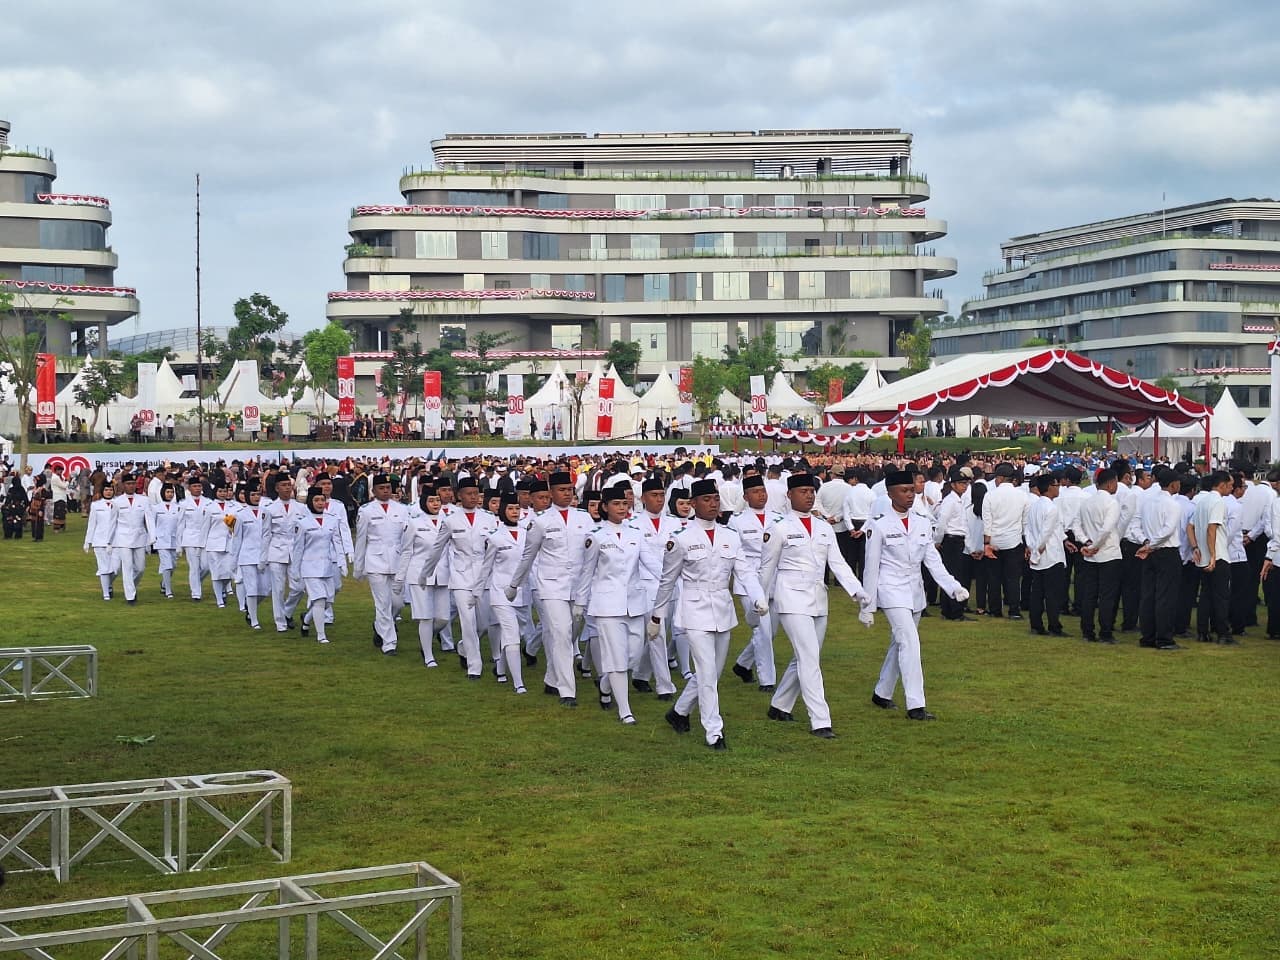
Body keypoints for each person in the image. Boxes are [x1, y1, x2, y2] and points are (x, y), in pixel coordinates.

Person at [653, 478, 767, 749]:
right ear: (693, 504)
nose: (713, 504)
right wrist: (657, 615)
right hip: (694, 610)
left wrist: (758, 596)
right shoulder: (680, 539)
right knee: (705, 671)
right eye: (706, 499)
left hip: (722, 609)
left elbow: (745, 572)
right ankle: (714, 731)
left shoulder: (730, 536)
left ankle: (678, 712)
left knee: (712, 673)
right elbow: (667, 581)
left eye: (716, 499)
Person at [760, 473, 868, 737]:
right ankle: (821, 720)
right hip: (791, 598)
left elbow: (838, 563)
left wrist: (857, 590)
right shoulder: (778, 528)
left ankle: (780, 705)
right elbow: (765, 569)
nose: (809, 495)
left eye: (811, 491)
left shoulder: (823, 527)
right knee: (809, 658)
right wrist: (759, 599)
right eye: (803, 491)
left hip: (818, 599)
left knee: (808, 656)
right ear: (789, 495)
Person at [862, 470, 968, 721]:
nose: (911, 495)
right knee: (909, 641)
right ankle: (915, 704)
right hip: (891, 589)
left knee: (899, 642)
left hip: (914, 591)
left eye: (912, 489)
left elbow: (933, 560)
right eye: (904, 490)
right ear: (890, 493)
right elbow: (871, 567)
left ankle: (882, 692)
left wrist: (952, 586)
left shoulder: (921, 521)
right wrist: (867, 605)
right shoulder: (878, 524)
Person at [507, 471, 593, 705]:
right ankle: (567, 691)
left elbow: (593, 553)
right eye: (562, 490)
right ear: (552, 492)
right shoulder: (541, 521)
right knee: (561, 633)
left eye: (570, 489)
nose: (567, 493)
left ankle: (552, 678)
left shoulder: (584, 519)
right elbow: (527, 556)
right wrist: (514, 584)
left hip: (579, 587)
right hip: (551, 586)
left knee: (572, 631)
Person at [576, 484, 655, 723]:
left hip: (634, 602)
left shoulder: (636, 533)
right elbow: (586, 572)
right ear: (605, 507)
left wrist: (674, 577)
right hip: (607, 604)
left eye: (624, 504)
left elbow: (652, 563)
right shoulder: (596, 536)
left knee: (633, 655)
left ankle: (605, 683)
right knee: (617, 659)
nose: (621, 508)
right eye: (616, 504)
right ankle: (625, 710)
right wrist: (580, 602)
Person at [422, 477, 499, 680]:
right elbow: (437, 549)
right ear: (459, 496)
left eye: (476, 494)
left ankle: (463, 647)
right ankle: (475, 667)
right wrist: (425, 573)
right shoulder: (451, 520)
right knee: (467, 622)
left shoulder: (489, 519)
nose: (473, 497)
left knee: (482, 624)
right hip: (461, 577)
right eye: (469, 494)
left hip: (484, 577)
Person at [728, 474, 783, 690]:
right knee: (762, 630)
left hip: (775, 578)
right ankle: (767, 680)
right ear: (746, 496)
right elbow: (734, 552)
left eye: (763, 491)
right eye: (755, 492)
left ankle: (742, 664)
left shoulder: (778, 517)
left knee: (772, 630)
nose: (761, 495)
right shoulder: (737, 520)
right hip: (748, 581)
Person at [478, 493, 533, 692]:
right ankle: (519, 683)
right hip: (500, 592)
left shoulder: (528, 533)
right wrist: (476, 592)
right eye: (510, 509)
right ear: (503, 511)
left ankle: (500, 668)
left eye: (517, 509)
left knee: (517, 632)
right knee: (511, 636)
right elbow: (486, 568)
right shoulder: (495, 537)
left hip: (522, 592)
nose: (514, 512)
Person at [354, 473, 412, 655]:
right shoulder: (366, 510)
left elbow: (407, 538)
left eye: (388, 488)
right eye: (381, 488)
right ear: (373, 491)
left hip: (396, 560)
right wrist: (358, 567)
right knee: (383, 604)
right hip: (375, 560)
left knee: (398, 603)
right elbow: (361, 540)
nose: (386, 491)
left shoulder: (402, 509)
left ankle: (380, 625)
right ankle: (389, 643)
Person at [399, 481, 455, 666]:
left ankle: (428, 638)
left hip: (443, 574)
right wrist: (400, 578)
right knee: (425, 616)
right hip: (419, 575)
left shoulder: (449, 522)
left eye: (437, 500)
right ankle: (428, 655)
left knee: (443, 619)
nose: (436, 504)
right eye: (431, 500)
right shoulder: (414, 523)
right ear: (424, 502)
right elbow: (406, 551)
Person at [1136, 466, 1184, 651]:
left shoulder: (1148, 501)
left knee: (1149, 594)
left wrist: (1146, 542)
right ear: (1173, 484)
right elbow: (1167, 530)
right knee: (1165, 596)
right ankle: (1163, 638)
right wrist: (1151, 545)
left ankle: (1148, 635)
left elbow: (1139, 524)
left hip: (1151, 550)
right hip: (1164, 551)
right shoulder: (1172, 504)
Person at [1075, 469, 1123, 643]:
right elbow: (1106, 529)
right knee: (1107, 595)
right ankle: (1105, 631)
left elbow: (1076, 525)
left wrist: (1086, 542)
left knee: (1090, 594)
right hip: (1107, 553)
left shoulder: (1087, 502)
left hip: (1091, 554)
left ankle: (1087, 630)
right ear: (1110, 483)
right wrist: (1093, 546)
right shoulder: (1111, 502)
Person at [291, 487, 344, 643]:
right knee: (319, 600)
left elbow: (337, 542)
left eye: (322, 500)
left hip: (327, 566)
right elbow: (298, 548)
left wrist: (341, 561)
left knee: (328, 601)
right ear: (310, 502)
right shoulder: (302, 522)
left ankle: (306, 619)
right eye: (316, 500)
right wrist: (295, 570)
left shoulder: (332, 520)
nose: (320, 503)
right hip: (309, 567)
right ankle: (321, 636)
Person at [1188, 470, 1234, 645]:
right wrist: (1214, 555)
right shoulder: (1218, 502)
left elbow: (1190, 527)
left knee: (1206, 595)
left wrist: (1196, 548)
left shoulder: (1201, 501)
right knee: (1221, 596)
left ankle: (1202, 631)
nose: (1231, 488)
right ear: (1222, 485)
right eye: (1229, 485)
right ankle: (1223, 633)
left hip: (1203, 556)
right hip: (1218, 555)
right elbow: (1211, 529)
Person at [1024, 473, 1068, 636]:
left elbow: (1028, 530)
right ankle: (1054, 626)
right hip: (1050, 555)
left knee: (1037, 593)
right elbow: (1045, 533)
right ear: (1050, 487)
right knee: (1052, 594)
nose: (1059, 489)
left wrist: (1031, 547)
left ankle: (1036, 625)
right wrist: (1036, 551)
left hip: (1038, 554)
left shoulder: (1034, 505)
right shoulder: (1051, 508)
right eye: (1057, 485)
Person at [262, 475, 304, 633]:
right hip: (276, 549)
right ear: (277, 488)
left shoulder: (301, 508)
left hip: (295, 549)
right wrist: (263, 557)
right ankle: (280, 622)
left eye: (289, 485)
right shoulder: (270, 509)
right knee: (278, 589)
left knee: (299, 587)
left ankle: (286, 612)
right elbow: (265, 534)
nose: (287, 488)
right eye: (283, 485)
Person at [110, 473, 155, 605]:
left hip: (140, 537)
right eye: (128, 484)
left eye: (133, 484)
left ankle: (131, 587)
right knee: (127, 567)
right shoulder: (117, 502)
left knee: (140, 568)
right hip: (123, 538)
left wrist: (152, 536)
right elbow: (112, 522)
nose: (131, 486)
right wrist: (109, 541)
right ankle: (130, 596)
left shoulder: (144, 500)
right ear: (123, 485)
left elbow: (149, 519)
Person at [230, 481, 269, 629]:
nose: (256, 497)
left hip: (263, 555)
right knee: (251, 588)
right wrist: (234, 561)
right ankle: (254, 619)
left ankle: (249, 607)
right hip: (246, 556)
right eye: (252, 494)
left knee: (265, 590)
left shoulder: (266, 512)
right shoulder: (240, 515)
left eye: (258, 494)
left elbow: (267, 535)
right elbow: (237, 538)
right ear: (247, 496)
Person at [204, 479, 239, 608]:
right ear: (215, 492)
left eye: (225, 491)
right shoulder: (209, 507)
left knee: (228, 571)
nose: (223, 493)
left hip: (229, 542)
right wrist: (203, 545)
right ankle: (219, 598)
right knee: (216, 573)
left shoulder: (234, 507)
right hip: (214, 543)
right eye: (220, 491)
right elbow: (205, 528)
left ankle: (223, 590)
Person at [178, 477, 213, 601]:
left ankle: (195, 582)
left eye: (199, 486)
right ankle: (196, 593)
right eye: (195, 486)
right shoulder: (183, 504)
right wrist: (179, 544)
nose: (197, 488)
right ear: (189, 488)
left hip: (205, 538)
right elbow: (180, 524)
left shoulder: (209, 502)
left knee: (206, 566)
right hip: (190, 538)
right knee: (194, 566)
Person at [83, 480, 118, 600]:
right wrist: (87, 541)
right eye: (106, 490)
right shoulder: (96, 505)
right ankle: (106, 593)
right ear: (102, 491)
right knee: (104, 567)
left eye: (111, 490)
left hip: (116, 541)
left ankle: (108, 584)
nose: (108, 492)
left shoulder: (118, 504)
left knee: (116, 568)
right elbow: (92, 524)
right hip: (99, 540)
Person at [152, 483, 182, 599]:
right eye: (168, 492)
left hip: (174, 540)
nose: (170, 494)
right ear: (163, 493)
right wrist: (153, 538)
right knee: (167, 565)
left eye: (172, 492)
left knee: (173, 565)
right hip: (161, 540)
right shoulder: (156, 508)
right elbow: (152, 524)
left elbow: (179, 525)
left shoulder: (177, 507)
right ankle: (168, 591)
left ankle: (164, 583)